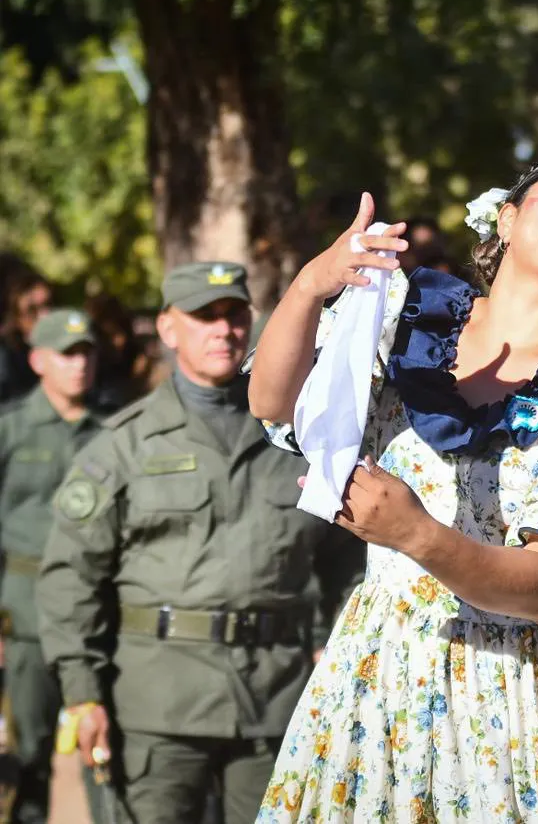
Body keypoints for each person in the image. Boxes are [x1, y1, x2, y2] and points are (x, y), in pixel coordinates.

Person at [247, 155, 538, 822]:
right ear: (508, 219)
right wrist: (312, 285)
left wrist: (416, 534)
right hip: (386, 682)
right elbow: (274, 402)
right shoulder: (404, 321)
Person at [37, 262, 365, 823]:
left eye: (234, 315)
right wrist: (82, 692)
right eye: (203, 317)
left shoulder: (296, 438)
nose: (223, 330)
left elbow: (349, 557)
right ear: (168, 328)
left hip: (275, 698)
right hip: (159, 706)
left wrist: (339, 645)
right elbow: (73, 576)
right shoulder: (124, 445)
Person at [0, 310, 103, 823]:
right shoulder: (11, 430)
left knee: (103, 746)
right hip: (24, 617)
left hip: (95, 617)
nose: (79, 364)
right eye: (67, 354)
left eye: (86, 352)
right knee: (27, 754)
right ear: (38, 361)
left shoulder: (113, 430)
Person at [0, 265, 53, 403]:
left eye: (49, 305)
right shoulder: (6, 357)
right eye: (32, 310)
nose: (44, 316)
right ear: (16, 317)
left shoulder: (65, 350)